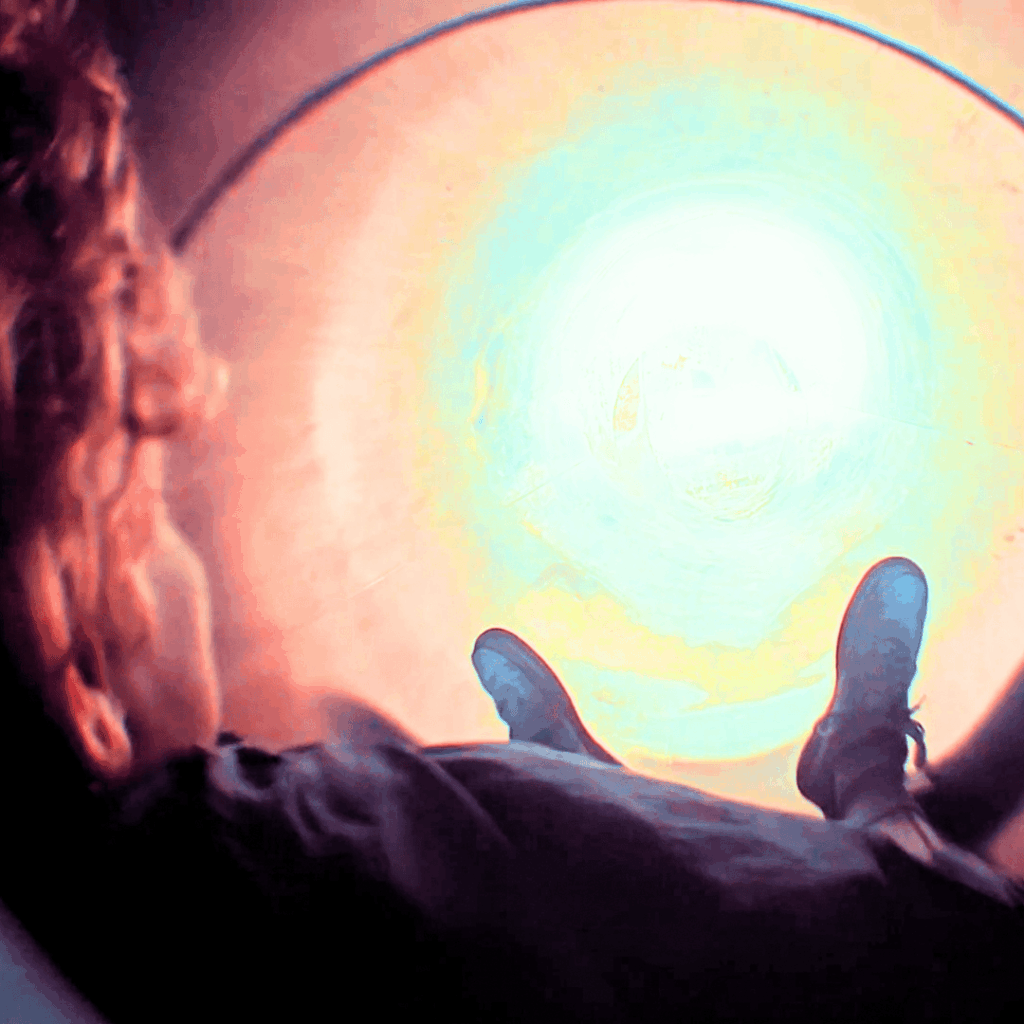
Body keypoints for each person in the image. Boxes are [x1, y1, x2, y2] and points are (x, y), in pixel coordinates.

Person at [1, 3, 1023, 1022]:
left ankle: (659, 786)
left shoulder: (134, 886)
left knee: (565, 831)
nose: (180, 553)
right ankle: (866, 779)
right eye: (151, 518)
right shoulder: (254, 844)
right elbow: (940, 960)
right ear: (75, 621)